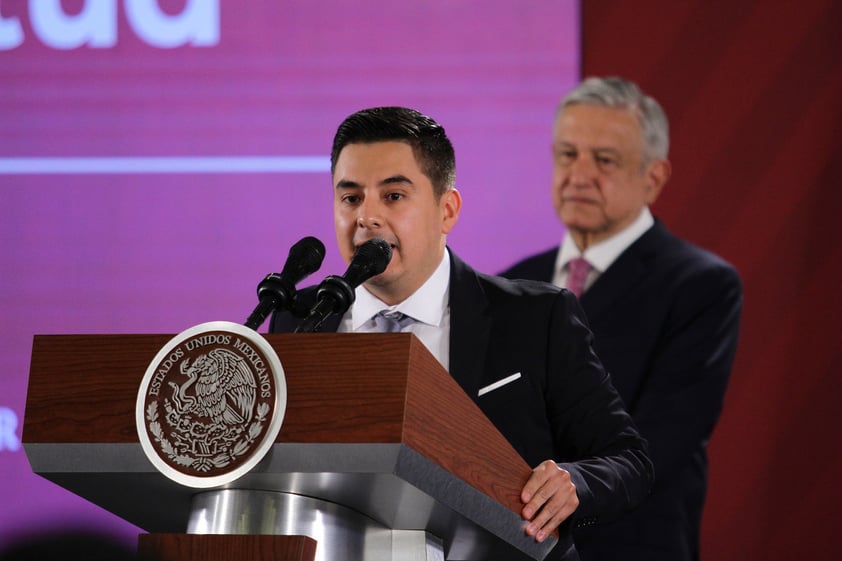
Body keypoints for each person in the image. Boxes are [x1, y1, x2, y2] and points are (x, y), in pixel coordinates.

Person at [269, 106, 653, 560]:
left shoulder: (535, 318)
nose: (366, 217)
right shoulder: (301, 319)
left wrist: (576, 484)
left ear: (446, 209)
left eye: (393, 196)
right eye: (350, 198)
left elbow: (629, 461)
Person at [500, 77, 743, 561]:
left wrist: (565, 486)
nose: (580, 174)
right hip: (515, 541)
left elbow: (660, 443)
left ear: (653, 177)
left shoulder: (700, 286)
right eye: (567, 155)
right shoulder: (513, 282)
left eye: (604, 160)